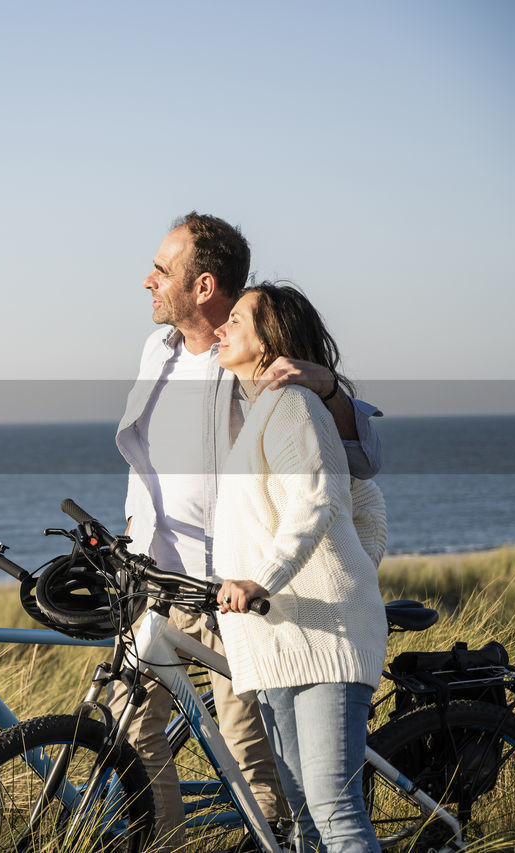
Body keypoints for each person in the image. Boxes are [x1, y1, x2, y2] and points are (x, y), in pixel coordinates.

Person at [110, 213, 383, 850]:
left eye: (162, 270)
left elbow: (353, 467)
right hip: (152, 577)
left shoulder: (265, 367)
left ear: (204, 286)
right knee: (132, 734)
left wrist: (325, 385)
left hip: (231, 592)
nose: (146, 280)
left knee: (257, 764)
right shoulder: (158, 352)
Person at [213, 282, 387, 852]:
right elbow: (365, 513)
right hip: (276, 635)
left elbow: (315, 501)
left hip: (325, 634)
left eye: (235, 319)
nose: (221, 328)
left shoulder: (292, 404)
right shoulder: (267, 409)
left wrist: (267, 579)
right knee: (307, 824)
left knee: (335, 815)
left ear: (271, 339)